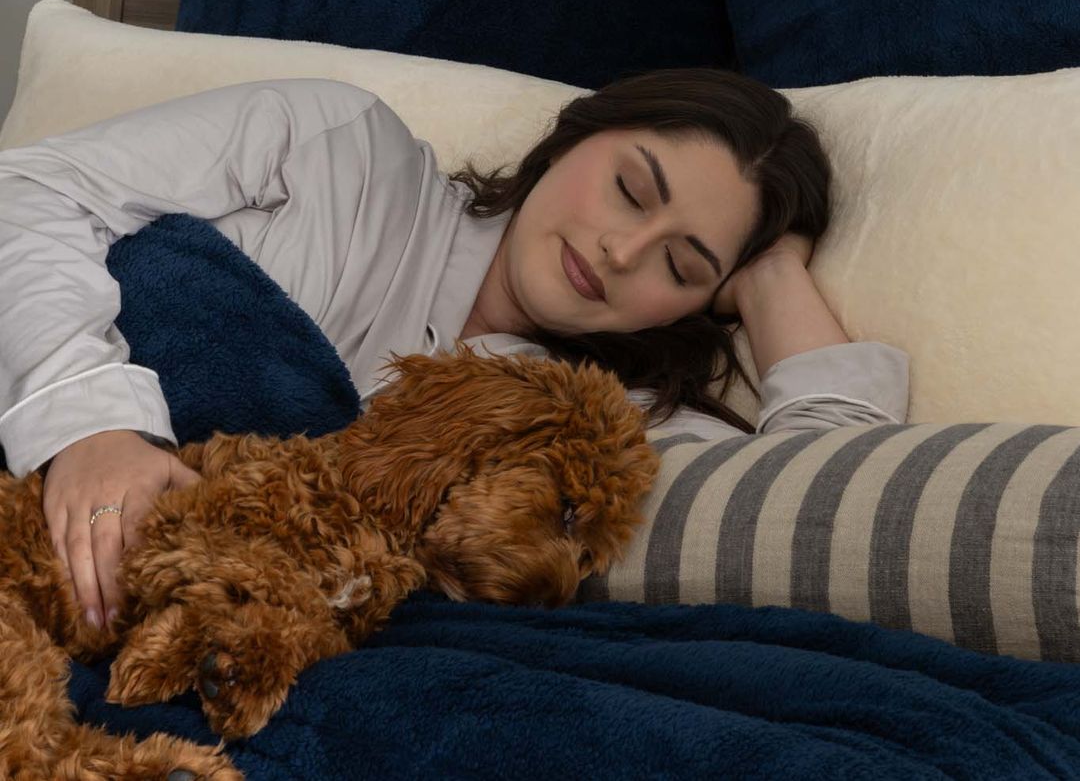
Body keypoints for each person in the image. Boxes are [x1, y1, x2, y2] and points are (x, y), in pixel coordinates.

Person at [0, 68, 907, 636]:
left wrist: (771, 276)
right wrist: (91, 424)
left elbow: (820, 495)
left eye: (681, 263)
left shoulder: (599, 428)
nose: (621, 253)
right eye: (631, 190)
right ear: (577, 135)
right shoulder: (337, 149)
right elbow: (29, 190)